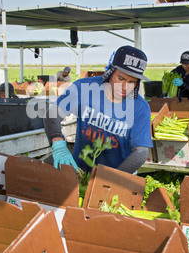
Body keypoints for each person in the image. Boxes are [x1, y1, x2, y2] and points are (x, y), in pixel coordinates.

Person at [44, 45, 153, 175]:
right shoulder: (84, 88)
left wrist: (112, 179)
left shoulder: (140, 108)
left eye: (132, 82)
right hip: (79, 173)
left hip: (118, 177)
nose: (124, 87)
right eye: (121, 78)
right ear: (110, 71)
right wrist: (58, 143)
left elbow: (140, 152)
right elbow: (53, 113)